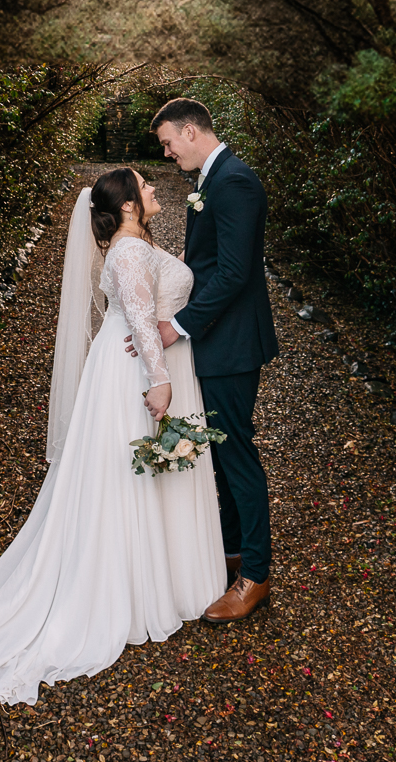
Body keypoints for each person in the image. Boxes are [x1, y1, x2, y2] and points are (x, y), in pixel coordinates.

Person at [0, 168, 224, 704]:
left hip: (135, 362)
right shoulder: (127, 251)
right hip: (140, 371)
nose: (153, 190)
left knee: (145, 472)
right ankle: (129, 588)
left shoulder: (135, 245)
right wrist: (160, 381)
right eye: (144, 187)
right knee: (132, 475)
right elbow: (143, 323)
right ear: (125, 206)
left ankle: (163, 576)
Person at [133, 97, 278, 624]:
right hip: (218, 339)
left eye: (169, 143)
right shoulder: (210, 181)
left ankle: (256, 576)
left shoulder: (235, 181)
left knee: (236, 452)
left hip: (233, 342)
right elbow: (207, 263)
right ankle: (235, 552)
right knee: (220, 452)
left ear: (191, 131)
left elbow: (235, 273)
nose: (168, 154)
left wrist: (179, 325)